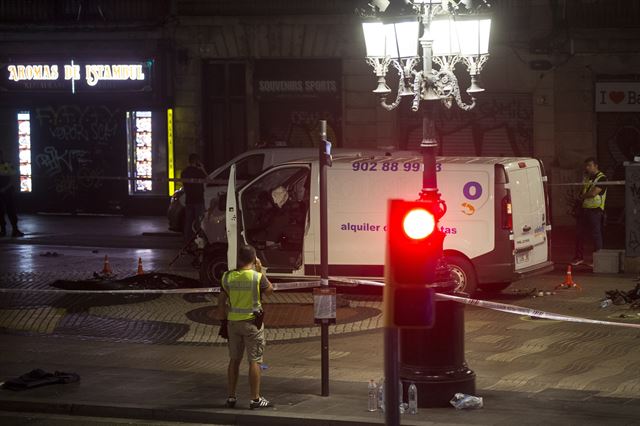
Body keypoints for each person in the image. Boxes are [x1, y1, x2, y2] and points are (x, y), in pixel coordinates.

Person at [216, 244, 274, 410]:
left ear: (239, 259)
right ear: (254, 258)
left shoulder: (227, 277)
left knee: (234, 360)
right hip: (252, 325)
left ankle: (231, 397)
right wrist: (260, 269)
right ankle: (255, 399)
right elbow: (270, 291)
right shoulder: (257, 277)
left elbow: (220, 302)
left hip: (233, 324)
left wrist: (223, 321)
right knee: (255, 361)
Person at [572, 157, 607, 266]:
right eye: (586, 166)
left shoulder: (602, 178)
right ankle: (579, 257)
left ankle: (597, 259)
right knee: (579, 234)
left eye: (589, 165)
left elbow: (593, 193)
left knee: (596, 235)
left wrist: (582, 196)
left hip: (595, 210)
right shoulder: (587, 177)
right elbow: (583, 189)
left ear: (596, 166)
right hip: (584, 209)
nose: (587, 168)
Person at [181, 153, 207, 243]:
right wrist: (202, 168)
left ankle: (187, 240)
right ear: (196, 161)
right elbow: (207, 179)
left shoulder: (184, 172)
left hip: (189, 200)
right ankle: (200, 240)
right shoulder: (198, 172)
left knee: (188, 222)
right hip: (198, 200)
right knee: (199, 222)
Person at [0, 149, 24, 238]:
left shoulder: (7, 165)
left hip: (7, 191)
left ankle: (13, 229)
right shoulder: (7, 165)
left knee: (11, 210)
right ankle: (5, 230)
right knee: (2, 212)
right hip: (5, 191)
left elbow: (13, 179)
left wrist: (5, 188)